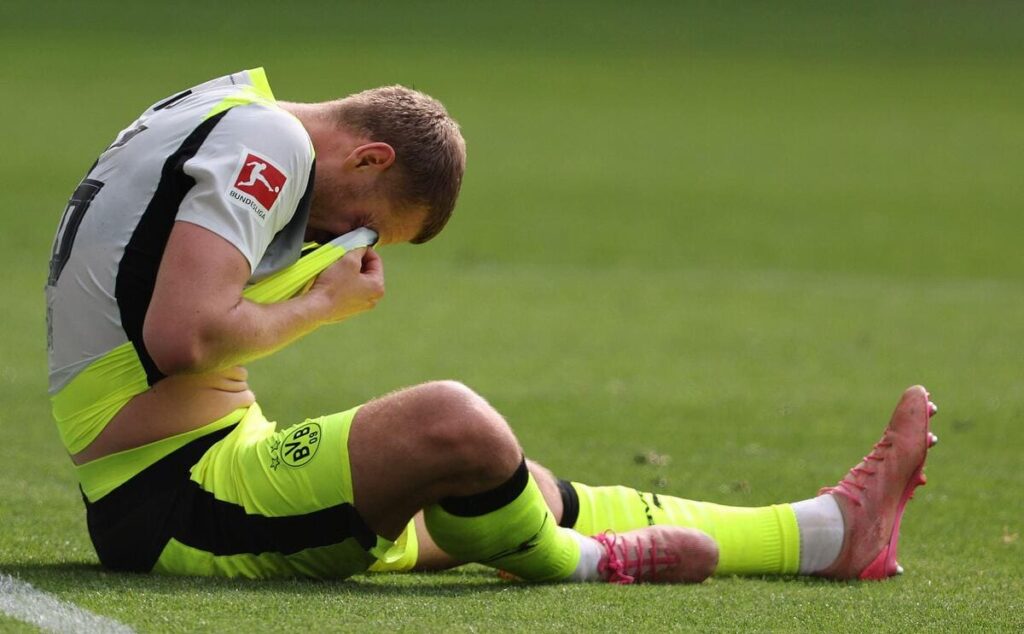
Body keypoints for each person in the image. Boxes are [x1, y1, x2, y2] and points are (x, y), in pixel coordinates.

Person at [46, 68, 937, 584]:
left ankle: (825, 533)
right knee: (452, 424)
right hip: (177, 499)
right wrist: (323, 304)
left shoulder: (216, 105)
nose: (344, 241)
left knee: (515, 482)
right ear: (370, 156)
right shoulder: (271, 143)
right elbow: (185, 339)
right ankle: (584, 563)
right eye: (367, 225)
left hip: (197, 472)